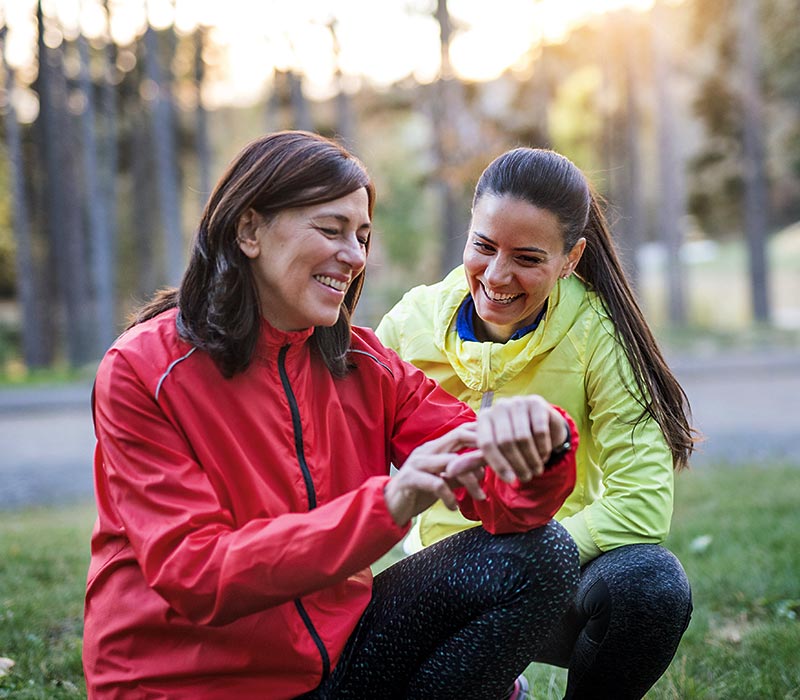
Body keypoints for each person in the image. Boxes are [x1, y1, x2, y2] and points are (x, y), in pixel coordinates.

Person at [83, 131, 582, 700]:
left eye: (363, 236)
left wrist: (542, 445)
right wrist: (388, 505)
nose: (355, 256)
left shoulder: (367, 364)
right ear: (249, 230)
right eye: (332, 230)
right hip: (185, 685)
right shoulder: (143, 369)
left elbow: (497, 490)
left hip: (334, 668)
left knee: (541, 555)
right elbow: (196, 573)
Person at [376, 147, 696, 699]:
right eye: (483, 246)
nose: (498, 275)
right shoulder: (410, 324)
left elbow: (642, 503)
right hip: (440, 580)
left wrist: (526, 563)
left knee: (650, 586)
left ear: (571, 259)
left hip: (556, 573)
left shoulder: (600, 334)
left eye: (527, 257)